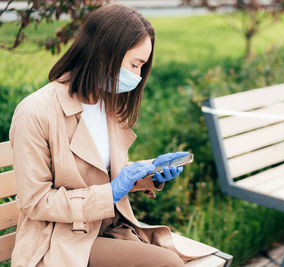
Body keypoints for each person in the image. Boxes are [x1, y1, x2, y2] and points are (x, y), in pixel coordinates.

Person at [9, 2, 218, 266]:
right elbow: (36, 202)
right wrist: (110, 193)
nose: (138, 76)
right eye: (134, 64)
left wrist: (147, 173)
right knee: (169, 263)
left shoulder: (107, 103)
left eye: (142, 66)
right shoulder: (36, 111)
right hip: (60, 239)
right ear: (103, 52)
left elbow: (101, 174)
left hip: (108, 227)